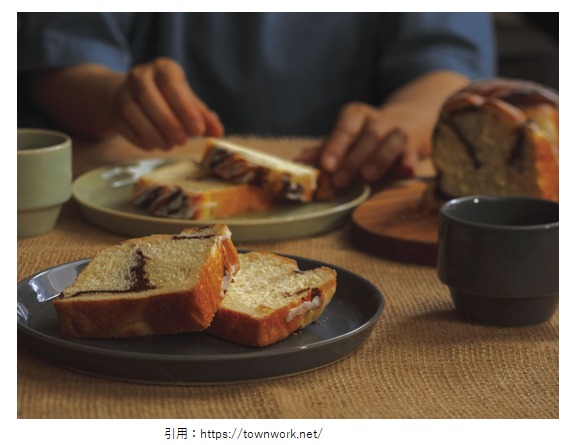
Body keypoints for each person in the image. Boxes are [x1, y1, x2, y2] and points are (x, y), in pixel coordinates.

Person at [17, 12, 495, 189]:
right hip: (130, 177)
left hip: (349, 194)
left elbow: (448, 74)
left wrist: (397, 125)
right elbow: (61, 64)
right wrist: (117, 97)